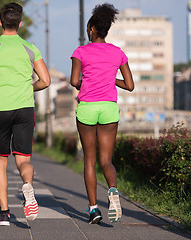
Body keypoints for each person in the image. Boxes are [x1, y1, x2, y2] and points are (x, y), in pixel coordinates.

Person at [0, 2, 50, 226]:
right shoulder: (30, 48)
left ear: (0, 22)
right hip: (25, 109)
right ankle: (28, 186)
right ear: (20, 23)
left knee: (0, 160)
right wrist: (28, 88)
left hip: (0, 110)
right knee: (23, 160)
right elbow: (46, 80)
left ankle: (4, 214)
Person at [70, 3, 134, 224]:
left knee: (90, 159)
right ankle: (113, 190)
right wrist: (109, 79)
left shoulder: (81, 51)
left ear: (91, 28)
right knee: (106, 160)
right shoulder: (117, 53)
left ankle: (94, 209)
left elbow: (74, 81)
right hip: (108, 108)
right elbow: (130, 85)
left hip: (87, 107)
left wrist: (88, 81)